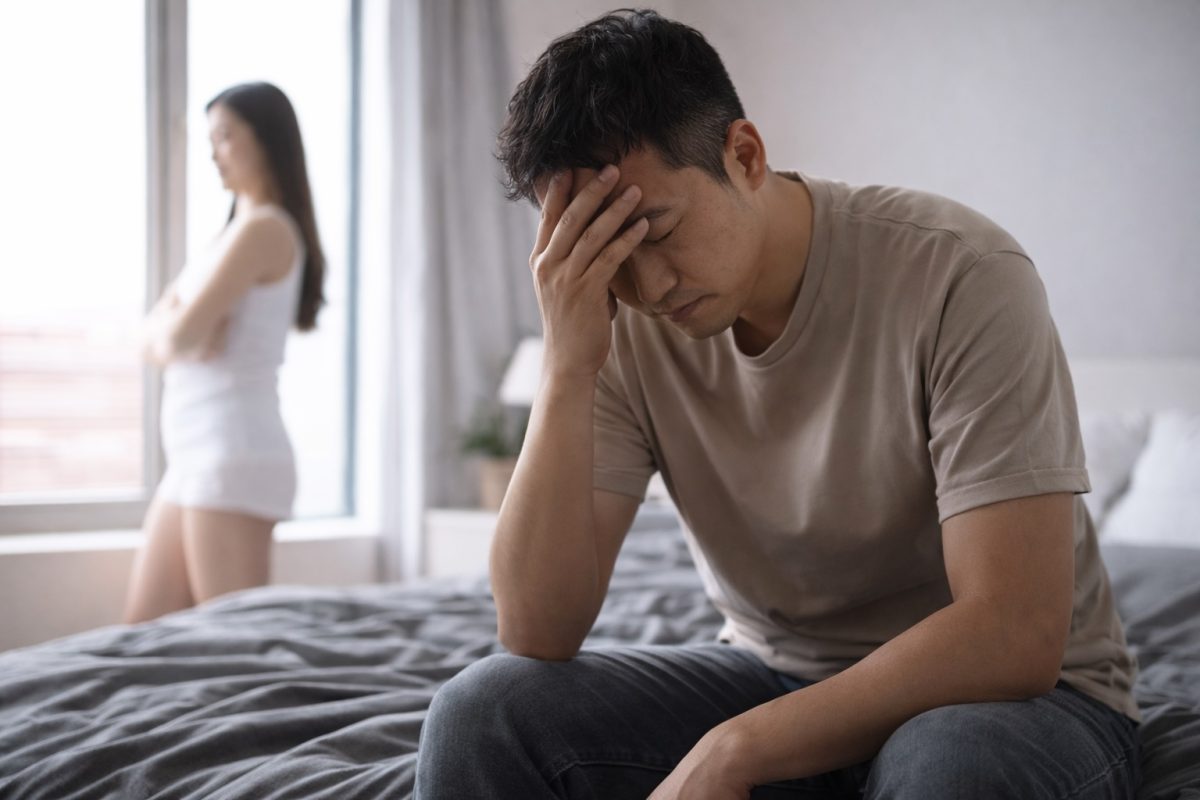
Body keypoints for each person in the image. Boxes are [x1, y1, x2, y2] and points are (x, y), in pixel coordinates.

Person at [414, 9, 1143, 799]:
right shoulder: (615, 323)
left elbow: (1014, 634)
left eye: (656, 230)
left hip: (1009, 702)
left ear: (746, 155)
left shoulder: (959, 274)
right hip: (777, 673)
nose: (648, 287)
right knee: (481, 712)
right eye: (612, 256)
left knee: (946, 766)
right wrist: (566, 368)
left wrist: (741, 748)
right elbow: (536, 631)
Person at [123, 82, 326, 624]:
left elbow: (177, 339)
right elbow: (155, 339)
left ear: (265, 141)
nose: (214, 152)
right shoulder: (232, 234)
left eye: (225, 136)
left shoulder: (264, 229)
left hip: (232, 452)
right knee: (142, 633)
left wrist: (176, 326)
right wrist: (174, 329)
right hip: (196, 453)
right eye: (210, 139)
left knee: (233, 641)